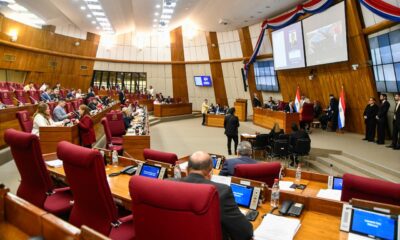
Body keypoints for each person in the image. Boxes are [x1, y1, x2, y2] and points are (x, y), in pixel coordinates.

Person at [177, 151, 253, 240]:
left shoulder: (169, 185)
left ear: (186, 170)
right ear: (210, 173)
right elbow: (245, 232)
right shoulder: (221, 192)